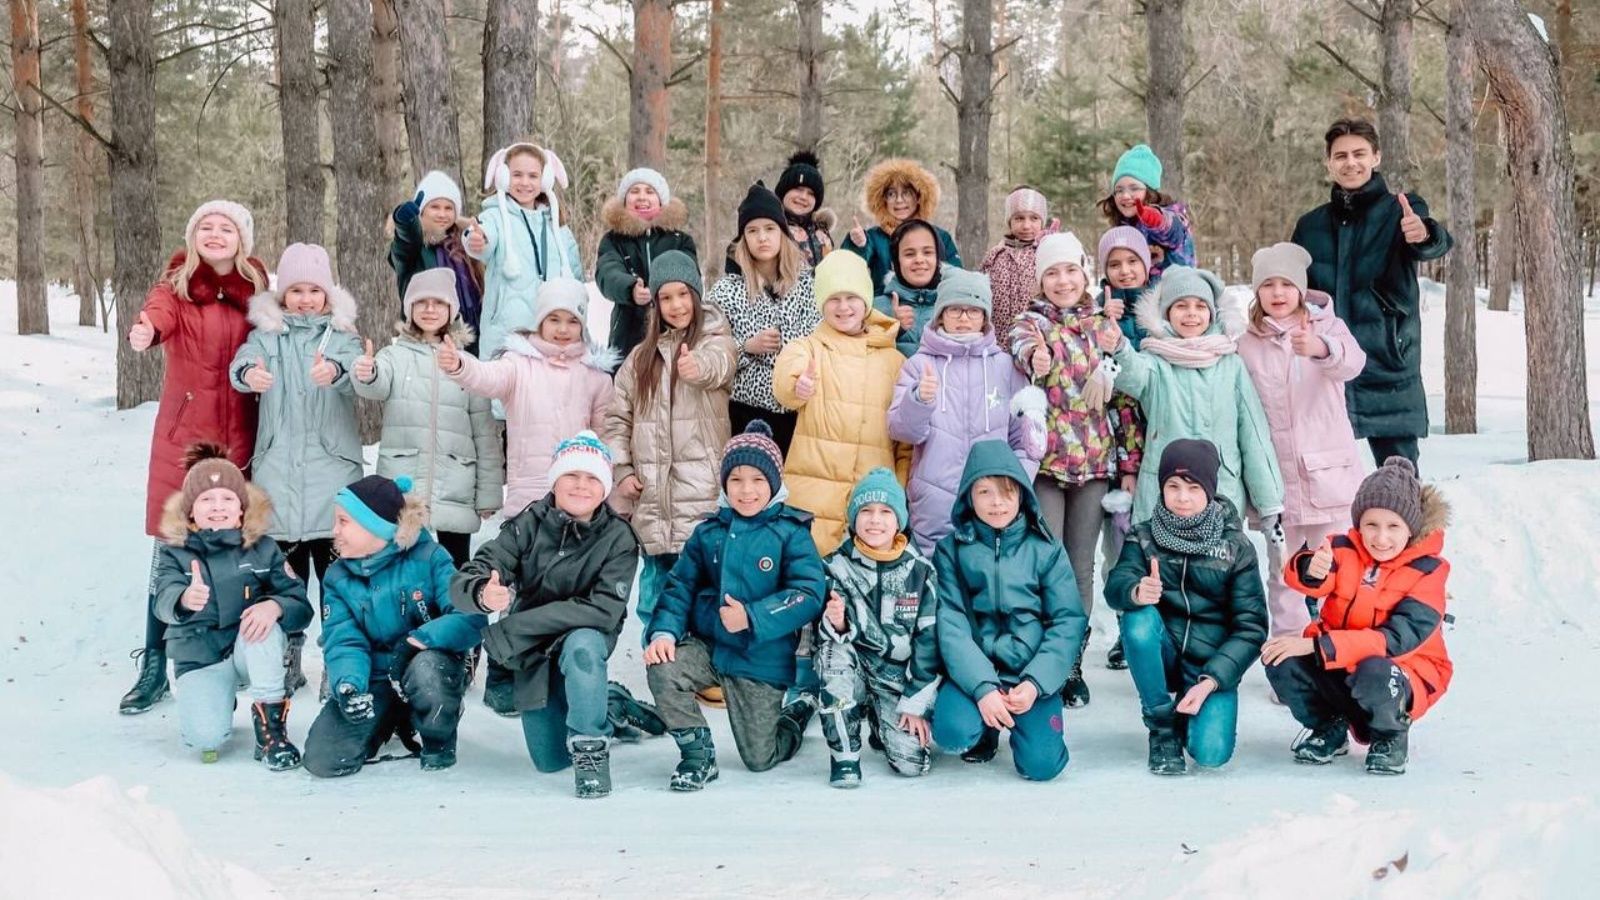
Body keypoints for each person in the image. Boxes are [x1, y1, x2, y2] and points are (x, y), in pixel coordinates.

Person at [442, 277, 615, 716]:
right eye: (552, 319)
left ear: (582, 325)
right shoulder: (519, 365)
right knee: (514, 587)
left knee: (557, 591)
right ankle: (502, 673)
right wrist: (459, 363)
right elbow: (485, 378)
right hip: (527, 498)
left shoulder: (594, 377)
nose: (561, 329)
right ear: (539, 322)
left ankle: (556, 668)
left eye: (570, 321)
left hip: (577, 502)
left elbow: (606, 433)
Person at [122, 199, 269, 714]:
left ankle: (237, 656)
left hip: (243, 438)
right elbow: (158, 314)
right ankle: (155, 664)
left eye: (225, 227)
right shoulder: (177, 285)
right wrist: (146, 329)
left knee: (237, 549)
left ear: (241, 240)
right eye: (205, 226)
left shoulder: (258, 291)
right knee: (172, 552)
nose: (214, 233)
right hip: (184, 442)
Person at [452, 433, 643, 797]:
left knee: (582, 645)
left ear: (604, 488)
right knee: (549, 760)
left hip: (582, 635)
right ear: (555, 480)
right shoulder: (529, 523)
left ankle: (591, 746)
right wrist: (481, 590)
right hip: (535, 646)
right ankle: (610, 703)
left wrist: (516, 626)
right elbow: (475, 571)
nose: (581, 486)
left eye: (592, 478)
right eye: (572, 475)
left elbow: (602, 611)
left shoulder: (619, 537)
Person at [643, 421, 827, 790]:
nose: (747, 490)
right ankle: (697, 754)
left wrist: (753, 616)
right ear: (724, 484)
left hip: (761, 658)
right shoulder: (707, 532)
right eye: (737, 480)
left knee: (760, 758)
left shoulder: (790, 532)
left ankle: (796, 714)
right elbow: (679, 586)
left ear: (774, 483)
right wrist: (664, 630)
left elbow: (809, 593)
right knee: (665, 667)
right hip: (710, 646)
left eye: (758, 480)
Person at [229, 242, 363, 694]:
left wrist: (342, 373)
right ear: (281, 293)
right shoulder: (267, 335)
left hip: (332, 476)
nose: (305, 299)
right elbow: (242, 361)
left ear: (328, 294)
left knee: (338, 579)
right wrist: (250, 375)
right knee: (284, 577)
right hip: (278, 478)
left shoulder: (341, 335)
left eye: (314, 290)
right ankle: (288, 651)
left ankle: (338, 659)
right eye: (296, 290)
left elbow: (362, 374)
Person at [1007, 231, 1134, 706]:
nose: (1062, 281)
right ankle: (1041, 657)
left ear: (1084, 274)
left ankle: (1071, 660)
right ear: (1042, 280)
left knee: (1081, 567)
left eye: (1070, 271)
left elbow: (1124, 397)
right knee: (1045, 561)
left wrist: (1130, 463)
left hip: (1096, 463)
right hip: (1046, 465)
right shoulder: (1031, 322)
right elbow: (1022, 347)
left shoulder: (1104, 325)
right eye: (1052, 273)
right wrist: (1033, 356)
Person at [1264, 457, 1452, 776]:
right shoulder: (1344, 549)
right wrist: (1312, 569)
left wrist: (1316, 646)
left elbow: (1396, 641)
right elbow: (1311, 577)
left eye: (1393, 527)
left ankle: (1389, 735)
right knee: (1281, 660)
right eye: (1371, 525)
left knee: (1374, 672)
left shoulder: (1429, 571)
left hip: (1403, 671)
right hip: (1342, 663)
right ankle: (1330, 727)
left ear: (1411, 529)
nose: (1380, 538)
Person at [1291, 118, 1454, 471]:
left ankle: (1412, 530)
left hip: (1388, 364)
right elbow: (1292, 289)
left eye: (1360, 153)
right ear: (1328, 163)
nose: (1351, 162)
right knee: (1325, 483)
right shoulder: (1310, 225)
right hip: (1328, 364)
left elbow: (1435, 243)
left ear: (1376, 157)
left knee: (1399, 482)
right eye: (1341, 155)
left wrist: (1422, 233)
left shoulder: (1402, 209)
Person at [1103, 439, 1269, 775]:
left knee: (1210, 754)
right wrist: (1136, 591)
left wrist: (1212, 680)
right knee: (1137, 621)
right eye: (1173, 486)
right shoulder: (1144, 536)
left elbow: (1251, 628)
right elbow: (1116, 586)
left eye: (1193, 488)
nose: (1182, 497)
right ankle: (1162, 726)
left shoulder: (1235, 548)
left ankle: (1191, 709)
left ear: (1209, 491)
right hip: (1164, 654)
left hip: (1210, 665)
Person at [303, 475, 487, 777]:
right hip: (374, 676)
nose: (334, 531)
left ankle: (437, 734)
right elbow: (343, 639)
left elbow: (469, 616)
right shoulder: (337, 576)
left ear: (375, 525)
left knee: (429, 672)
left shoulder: (431, 558)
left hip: (425, 663)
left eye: (344, 521)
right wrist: (348, 684)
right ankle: (387, 718)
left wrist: (418, 641)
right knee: (324, 759)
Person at [601, 251, 737, 639]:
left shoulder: (716, 340)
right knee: (655, 591)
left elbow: (719, 366)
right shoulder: (641, 358)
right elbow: (616, 419)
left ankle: (697, 665)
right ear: (656, 303)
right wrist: (623, 470)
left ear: (696, 294)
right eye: (666, 297)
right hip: (653, 499)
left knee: (703, 589)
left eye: (683, 294)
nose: (676, 305)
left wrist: (697, 369)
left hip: (700, 496)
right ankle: (659, 662)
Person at [931, 440, 1084, 780]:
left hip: (1027, 672)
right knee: (951, 733)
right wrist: (983, 687)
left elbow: (1067, 621)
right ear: (968, 496)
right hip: (975, 670)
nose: (997, 502)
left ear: (1022, 496)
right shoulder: (951, 552)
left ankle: (1028, 725)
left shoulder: (1045, 549)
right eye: (984, 492)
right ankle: (984, 724)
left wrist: (1035, 682)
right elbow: (951, 623)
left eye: (1006, 492)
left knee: (1043, 767)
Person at [1236, 243, 1366, 638]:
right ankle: (1288, 657)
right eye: (1269, 285)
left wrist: (1320, 349)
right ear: (1257, 293)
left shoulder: (1327, 328)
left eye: (1287, 284)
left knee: (1340, 568)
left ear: (1301, 289)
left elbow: (1353, 362)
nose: (1278, 293)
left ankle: (1343, 650)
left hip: (1329, 477)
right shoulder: (1245, 342)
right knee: (1284, 576)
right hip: (1277, 482)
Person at [151, 447, 311, 767]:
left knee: (262, 624)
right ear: (191, 511)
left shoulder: (263, 548)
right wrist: (183, 600)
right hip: (200, 654)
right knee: (205, 739)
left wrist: (275, 606)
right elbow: (162, 601)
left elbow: (300, 606)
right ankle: (219, 698)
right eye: (207, 500)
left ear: (241, 509)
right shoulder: (175, 551)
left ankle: (271, 730)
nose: (217, 507)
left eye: (226, 499)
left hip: (248, 649)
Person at [1106, 266, 1284, 531]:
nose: (1191, 313)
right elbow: (1132, 374)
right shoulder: (1155, 362)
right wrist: (1120, 348)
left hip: (1221, 489)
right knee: (1163, 568)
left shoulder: (1231, 364)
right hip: (1164, 492)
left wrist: (1269, 501)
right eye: (1181, 305)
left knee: (1216, 570)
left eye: (1200, 306)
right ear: (1166, 313)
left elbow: (1253, 434)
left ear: (1212, 313)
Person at [353, 268, 504, 567]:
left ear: (452, 309)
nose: (430, 309)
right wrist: (367, 372)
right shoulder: (393, 356)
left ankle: (459, 615)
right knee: (403, 569)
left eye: (439, 303)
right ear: (409, 310)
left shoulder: (466, 364)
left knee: (455, 567)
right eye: (422, 302)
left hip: (455, 484)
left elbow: (484, 434)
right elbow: (377, 383)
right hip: (405, 485)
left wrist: (488, 494)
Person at [888, 266, 1044, 553]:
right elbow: (902, 431)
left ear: (985, 316)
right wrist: (919, 400)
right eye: (954, 309)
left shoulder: (1006, 367)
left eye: (973, 310)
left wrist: (1014, 485)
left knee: (987, 583)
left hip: (994, 501)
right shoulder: (919, 365)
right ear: (940, 314)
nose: (963, 318)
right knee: (938, 584)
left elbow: (1026, 439)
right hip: (934, 502)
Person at [774, 250, 910, 554]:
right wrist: (799, 385)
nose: (844, 307)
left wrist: (895, 490)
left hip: (870, 508)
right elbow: (785, 378)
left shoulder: (895, 361)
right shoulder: (808, 348)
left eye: (852, 297)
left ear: (867, 300)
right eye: (834, 298)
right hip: (812, 503)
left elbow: (905, 443)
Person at [815, 469, 939, 787]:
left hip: (897, 677)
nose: (875, 520)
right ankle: (844, 756)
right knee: (834, 655)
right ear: (854, 518)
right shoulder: (835, 565)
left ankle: (880, 717)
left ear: (899, 521)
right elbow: (828, 631)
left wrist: (914, 704)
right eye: (866, 511)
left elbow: (930, 641)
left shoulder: (920, 571)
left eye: (886, 512)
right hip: (854, 666)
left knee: (912, 765)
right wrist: (838, 621)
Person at [708, 182, 820, 453]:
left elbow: (819, 341)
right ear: (743, 238)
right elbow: (708, 350)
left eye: (770, 229)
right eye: (752, 231)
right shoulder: (726, 291)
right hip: (746, 413)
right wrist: (746, 347)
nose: (762, 238)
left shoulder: (808, 285)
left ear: (782, 233)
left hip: (799, 411)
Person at [466, 141, 583, 363]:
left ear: (546, 179)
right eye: (517, 175)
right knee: (509, 393)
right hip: (507, 329)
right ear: (503, 176)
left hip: (554, 333)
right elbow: (481, 238)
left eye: (533, 176)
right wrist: (477, 241)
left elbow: (576, 277)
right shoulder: (494, 217)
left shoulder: (558, 227)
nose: (525, 182)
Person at [596, 167, 698, 360]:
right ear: (624, 200)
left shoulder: (680, 240)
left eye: (649, 191)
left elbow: (690, 276)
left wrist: (664, 290)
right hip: (628, 336)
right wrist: (630, 288)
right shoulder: (613, 240)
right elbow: (607, 271)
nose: (642, 197)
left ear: (661, 200)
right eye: (634, 191)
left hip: (675, 332)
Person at [388, 169, 484, 349]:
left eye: (448, 208)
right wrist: (405, 222)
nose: (442, 214)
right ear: (422, 211)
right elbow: (404, 242)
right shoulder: (416, 248)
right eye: (435, 207)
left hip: (470, 339)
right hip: (425, 337)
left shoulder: (466, 245)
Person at [842, 158, 962, 295]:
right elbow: (847, 269)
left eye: (906, 193)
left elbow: (956, 278)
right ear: (883, 200)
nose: (899, 200)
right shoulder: (874, 237)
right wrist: (858, 245)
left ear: (918, 198)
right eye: (891, 194)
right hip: (885, 311)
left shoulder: (940, 237)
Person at [1099, 144, 1195, 278]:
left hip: (1174, 292)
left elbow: (1174, 232)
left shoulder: (1171, 215)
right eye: (1119, 190)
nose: (1125, 196)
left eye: (1134, 188)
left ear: (1150, 191)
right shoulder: (1124, 224)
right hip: (1140, 293)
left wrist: (1158, 221)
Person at [981, 186, 1053, 348]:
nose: (1026, 226)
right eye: (1019, 218)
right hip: (998, 344)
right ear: (1009, 221)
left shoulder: (1047, 253)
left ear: (1042, 221)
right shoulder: (995, 255)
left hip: (1037, 344)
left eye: (1034, 218)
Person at [873, 219, 952, 358]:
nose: (919, 260)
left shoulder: (954, 308)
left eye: (927, 252)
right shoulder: (875, 308)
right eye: (909, 254)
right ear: (895, 262)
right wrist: (893, 328)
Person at [775, 151, 836, 266]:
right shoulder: (769, 228)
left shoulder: (822, 233)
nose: (803, 197)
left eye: (811, 193)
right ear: (783, 192)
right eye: (798, 189)